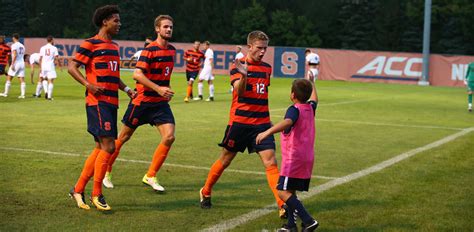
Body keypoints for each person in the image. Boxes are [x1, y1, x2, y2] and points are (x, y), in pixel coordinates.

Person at [199, 31, 287, 219]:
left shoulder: (267, 68)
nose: (262, 52)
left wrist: (268, 120)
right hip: (239, 123)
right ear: (250, 47)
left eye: (265, 48)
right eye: (259, 48)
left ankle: (282, 205)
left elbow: (262, 95)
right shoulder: (237, 66)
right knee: (225, 160)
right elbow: (239, 92)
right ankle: (205, 191)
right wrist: (244, 74)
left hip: (262, 124)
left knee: (271, 162)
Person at [67, 5, 134, 211]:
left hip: (112, 102)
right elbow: (72, 66)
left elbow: (113, 75)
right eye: (116, 20)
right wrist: (88, 85)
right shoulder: (91, 43)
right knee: (109, 147)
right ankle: (97, 194)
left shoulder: (114, 47)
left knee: (100, 148)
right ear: (105, 21)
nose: (119, 24)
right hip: (97, 103)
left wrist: (126, 89)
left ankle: (78, 190)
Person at [102, 15, 176, 192]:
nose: (169, 30)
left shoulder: (172, 51)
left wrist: (166, 90)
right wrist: (159, 88)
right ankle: (106, 171)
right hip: (142, 102)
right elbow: (137, 75)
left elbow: (164, 76)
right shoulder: (149, 50)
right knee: (123, 138)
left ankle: (150, 175)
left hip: (159, 104)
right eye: (165, 27)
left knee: (169, 136)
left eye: (171, 27)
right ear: (157, 29)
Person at [256, 79, 319, 232]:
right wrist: (312, 83)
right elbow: (315, 99)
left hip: (293, 159)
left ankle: (308, 220)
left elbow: (288, 122)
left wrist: (268, 132)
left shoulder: (294, 109)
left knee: (282, 192)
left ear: (292, 95)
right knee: (291, 191)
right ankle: (291, 226)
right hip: (307, 157)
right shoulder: (310, 107)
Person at [0, 33, 26, 98]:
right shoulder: (22, 45)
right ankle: (23, 95)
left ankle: (5, 93)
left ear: (14, 38)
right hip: (22, 63)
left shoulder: (14, 45)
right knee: (21, 79)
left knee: (9, 77)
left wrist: (12, 64)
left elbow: (15, 55)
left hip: (16, 63)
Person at [39, 35, 61, 100]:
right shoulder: (54, 48)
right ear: (52, 40)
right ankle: (49, 96)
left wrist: (40, 67)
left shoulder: (42, 48)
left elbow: (40, 58)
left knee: (44, 79)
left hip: (43, 66)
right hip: (50, 66)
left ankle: (46, 91)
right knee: (51, 81)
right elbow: (56, 57)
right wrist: (59, 65)